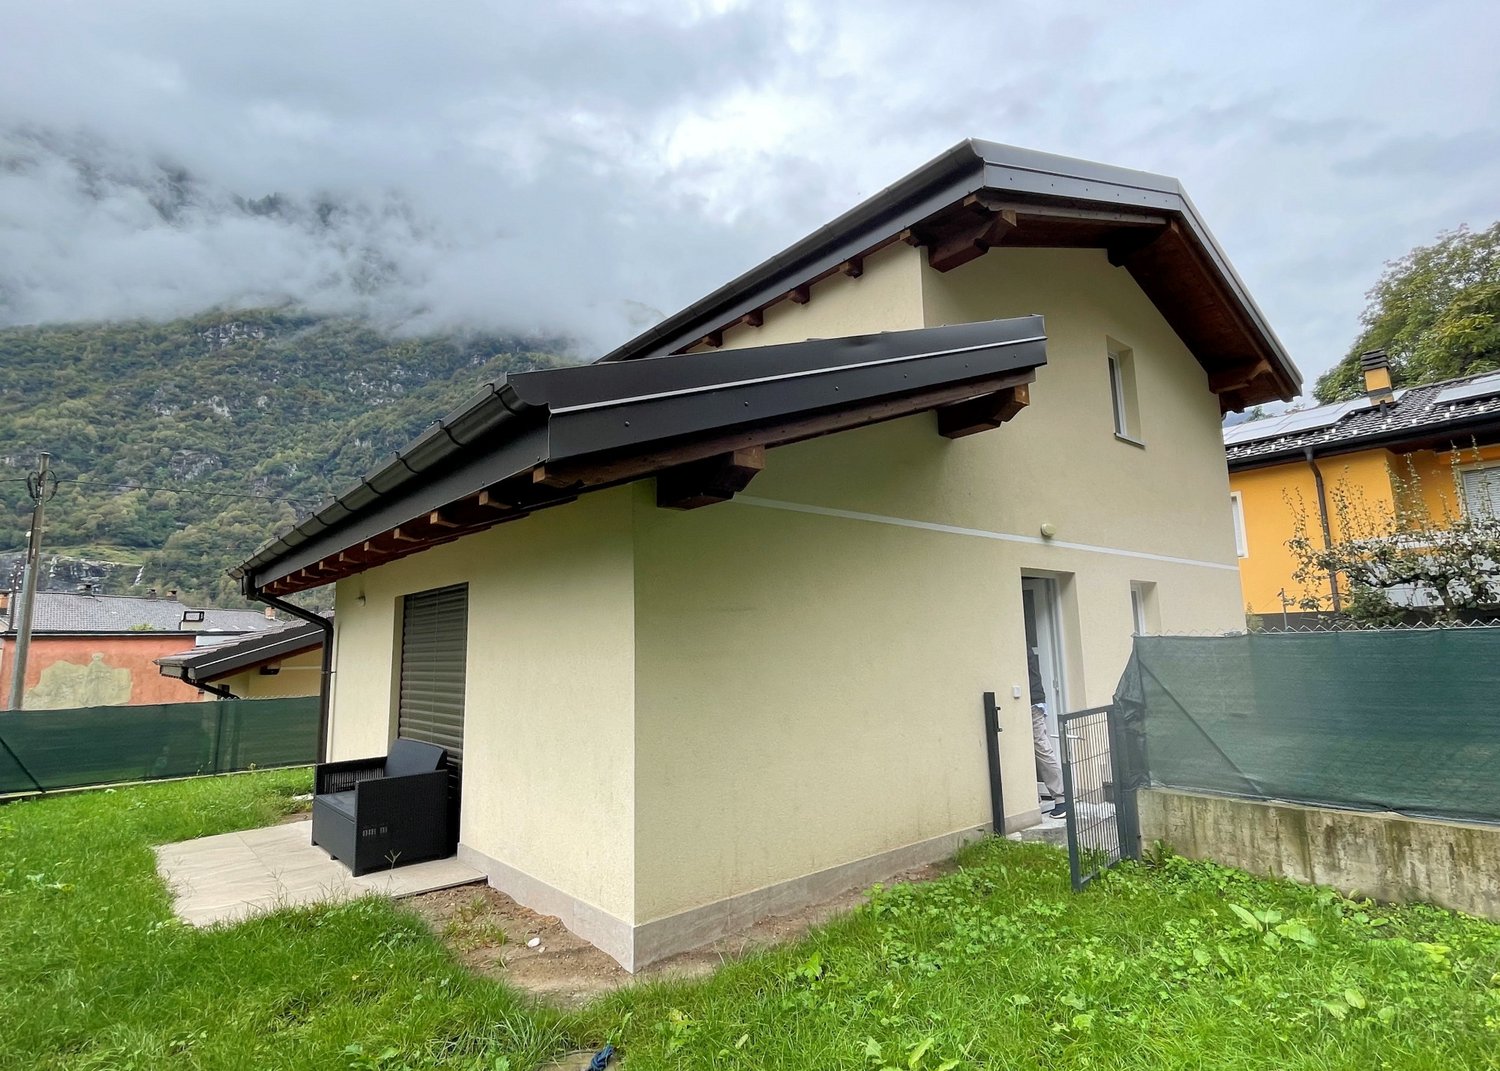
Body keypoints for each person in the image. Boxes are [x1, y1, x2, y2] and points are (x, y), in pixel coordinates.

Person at [1028, 647, 1066, 818]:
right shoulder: (1024, 644)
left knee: (1041, 749)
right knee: (1038, 749)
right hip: (1035, 701)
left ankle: (1062, 800)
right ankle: (1055, 800)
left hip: (1031, 702)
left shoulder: (1019, 643)